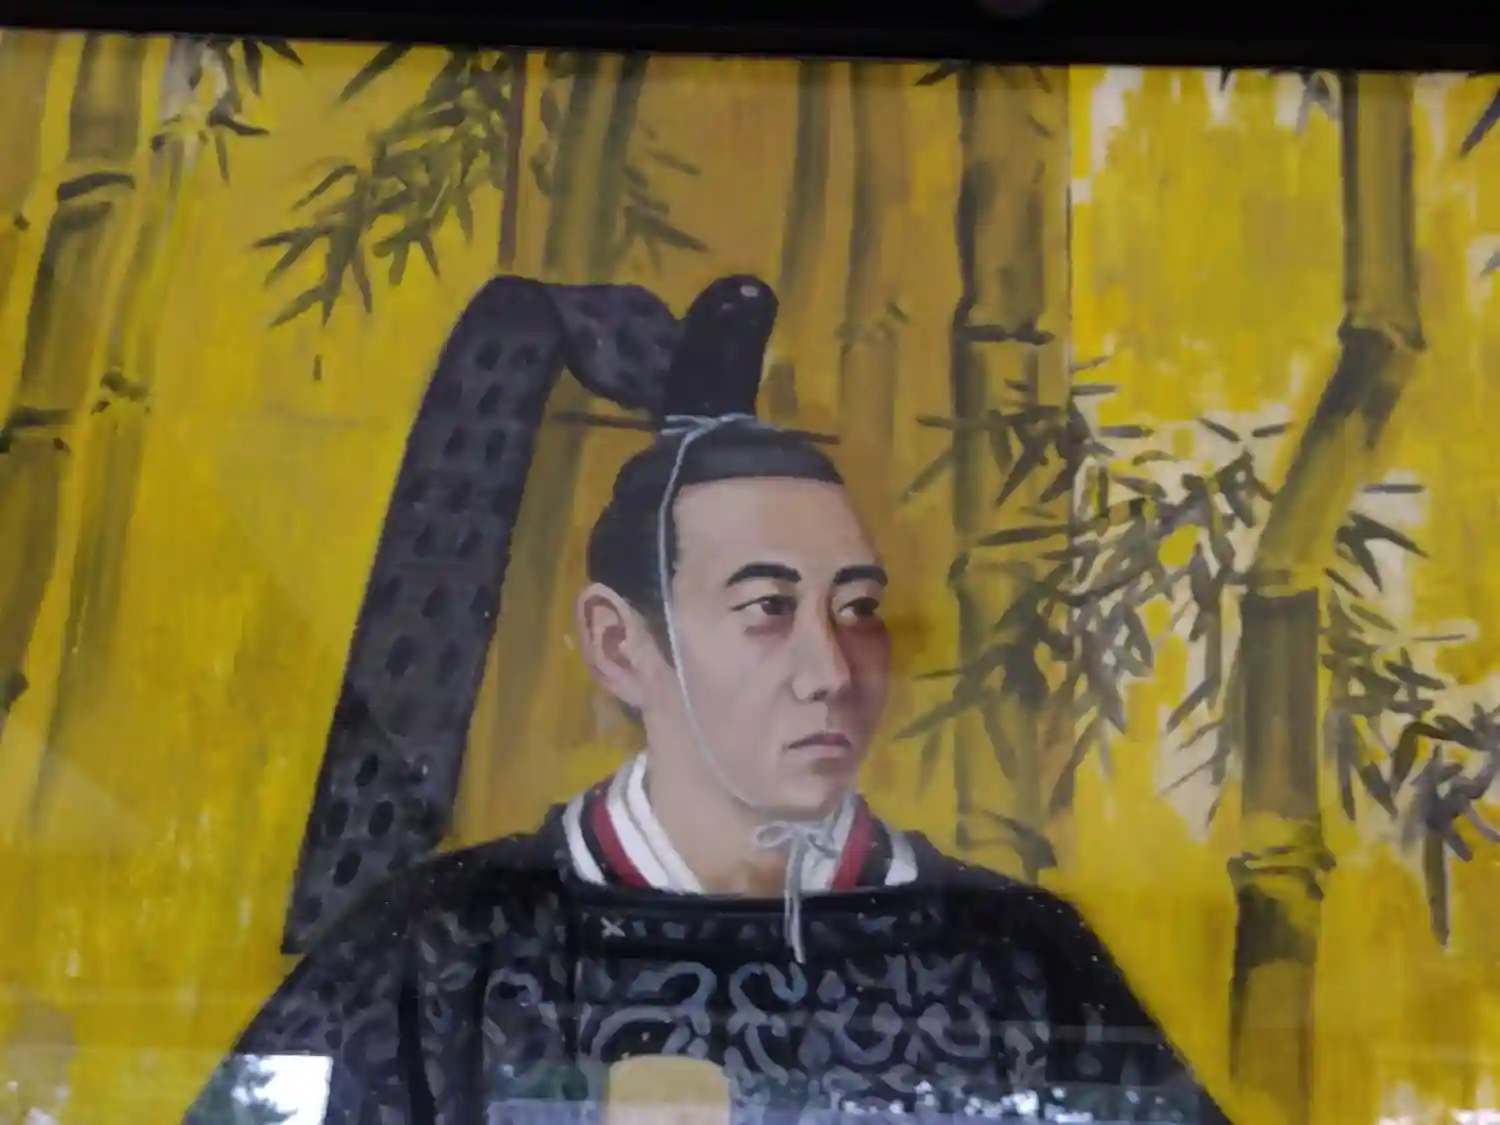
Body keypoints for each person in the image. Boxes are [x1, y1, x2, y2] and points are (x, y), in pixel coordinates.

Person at [183, 276, 1227, 1124]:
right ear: (620, 642)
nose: (831, 668)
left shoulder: (1015, 956)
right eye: (769, 607)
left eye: (858, 607)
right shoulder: (448, 948)